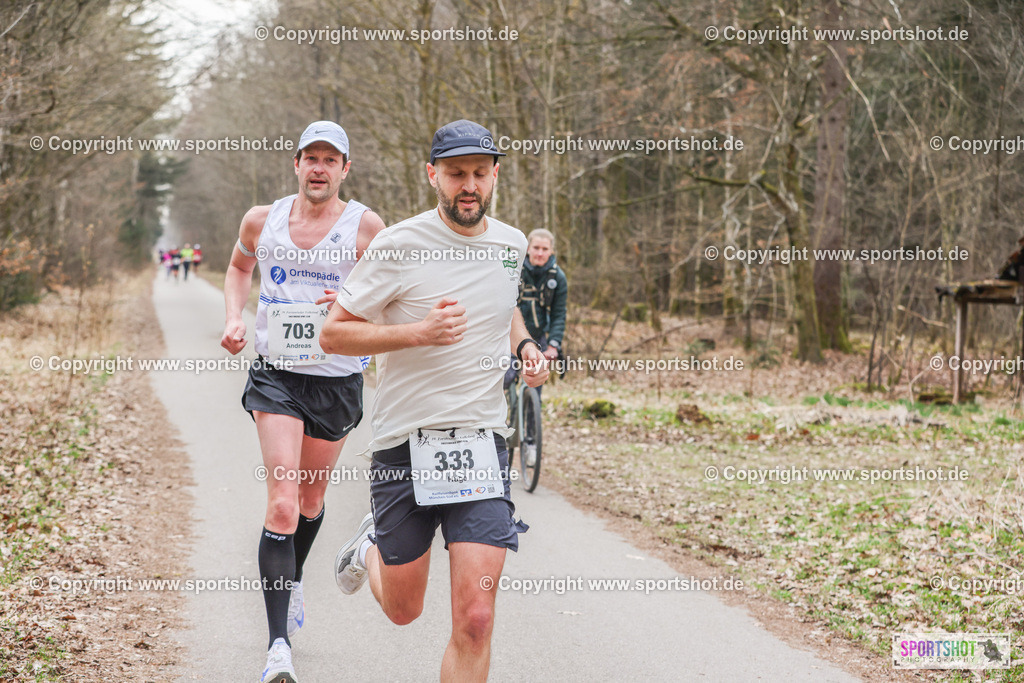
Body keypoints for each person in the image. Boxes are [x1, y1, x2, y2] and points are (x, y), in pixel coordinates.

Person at [321, 119, 549, 682]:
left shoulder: (512, 245)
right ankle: (368, 548)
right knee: (404, 610)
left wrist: (525, 346)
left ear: (495, 175)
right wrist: (418, 333)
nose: (468, 185)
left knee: (476, 618)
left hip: (481, 443)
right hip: (405, 446)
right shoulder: (398, 244)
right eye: (455, 174)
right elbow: (334, 334)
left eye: (479, 173)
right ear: (432, 175)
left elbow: (503, 310)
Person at [219, 120, 385, 683]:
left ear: (345, 169)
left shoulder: (366, 228)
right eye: (310, 157)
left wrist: (357, 301)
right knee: (284, 506)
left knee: (311, 503)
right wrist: (234, 317)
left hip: (336, 380)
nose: (319, 168)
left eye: (329, 159)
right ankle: (278, 648)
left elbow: (396, 295)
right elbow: (239, 267)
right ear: (296, 164)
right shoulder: (261, 220)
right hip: (277, 376)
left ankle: (290, 580)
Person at [504, 228, 568, 396]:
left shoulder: (557, 277)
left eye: (545, 249)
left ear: (551, 251)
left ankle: (532, 408)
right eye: (536, 248)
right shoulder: (513, 271)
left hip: (538, 338)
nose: (540, 253)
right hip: (511, 336)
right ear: (528, 249)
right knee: (505, 378)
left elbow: (559, 314)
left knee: (535, 384)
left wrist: (554, 344)